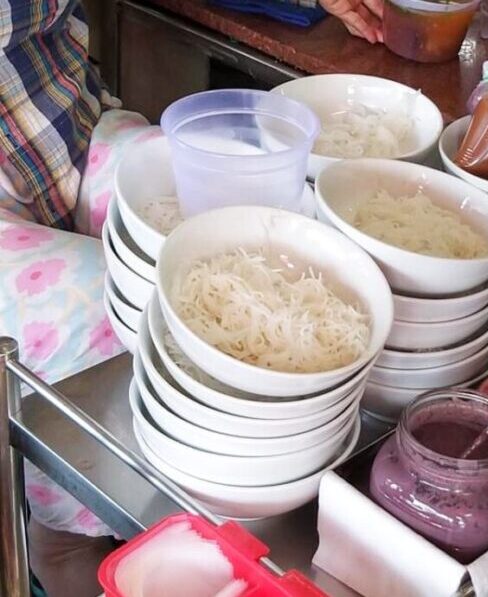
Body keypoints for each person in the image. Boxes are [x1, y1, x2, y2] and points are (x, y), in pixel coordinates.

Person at [0, 1, 386, 596]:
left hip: (64, 126)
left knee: (236, 196)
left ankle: (215, 502)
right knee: (94, 303)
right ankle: (65, 537)